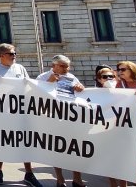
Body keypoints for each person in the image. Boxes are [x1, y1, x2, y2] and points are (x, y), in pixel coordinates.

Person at [0, 43, 42, 187]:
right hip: (1, 113)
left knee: (24, 142)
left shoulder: (20, 68)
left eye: (14, 53)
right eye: (11, 54)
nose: (14, 56)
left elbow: (29, 86)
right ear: (2, 56)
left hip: (20, 112)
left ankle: (29, 173)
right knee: (2, 142)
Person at [37, 55, 87, 187]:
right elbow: (35, 95)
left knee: (75, 149)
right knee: (57, 149)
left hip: (71, 118)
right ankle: (60, 179)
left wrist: (80, 87)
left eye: (67, 66)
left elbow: (80, 93)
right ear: (53, 66)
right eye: (63, 66)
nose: (66, 68)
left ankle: (77, 179)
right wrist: (49, 82)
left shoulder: (72, 77)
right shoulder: (42, 77)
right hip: (53, 119)